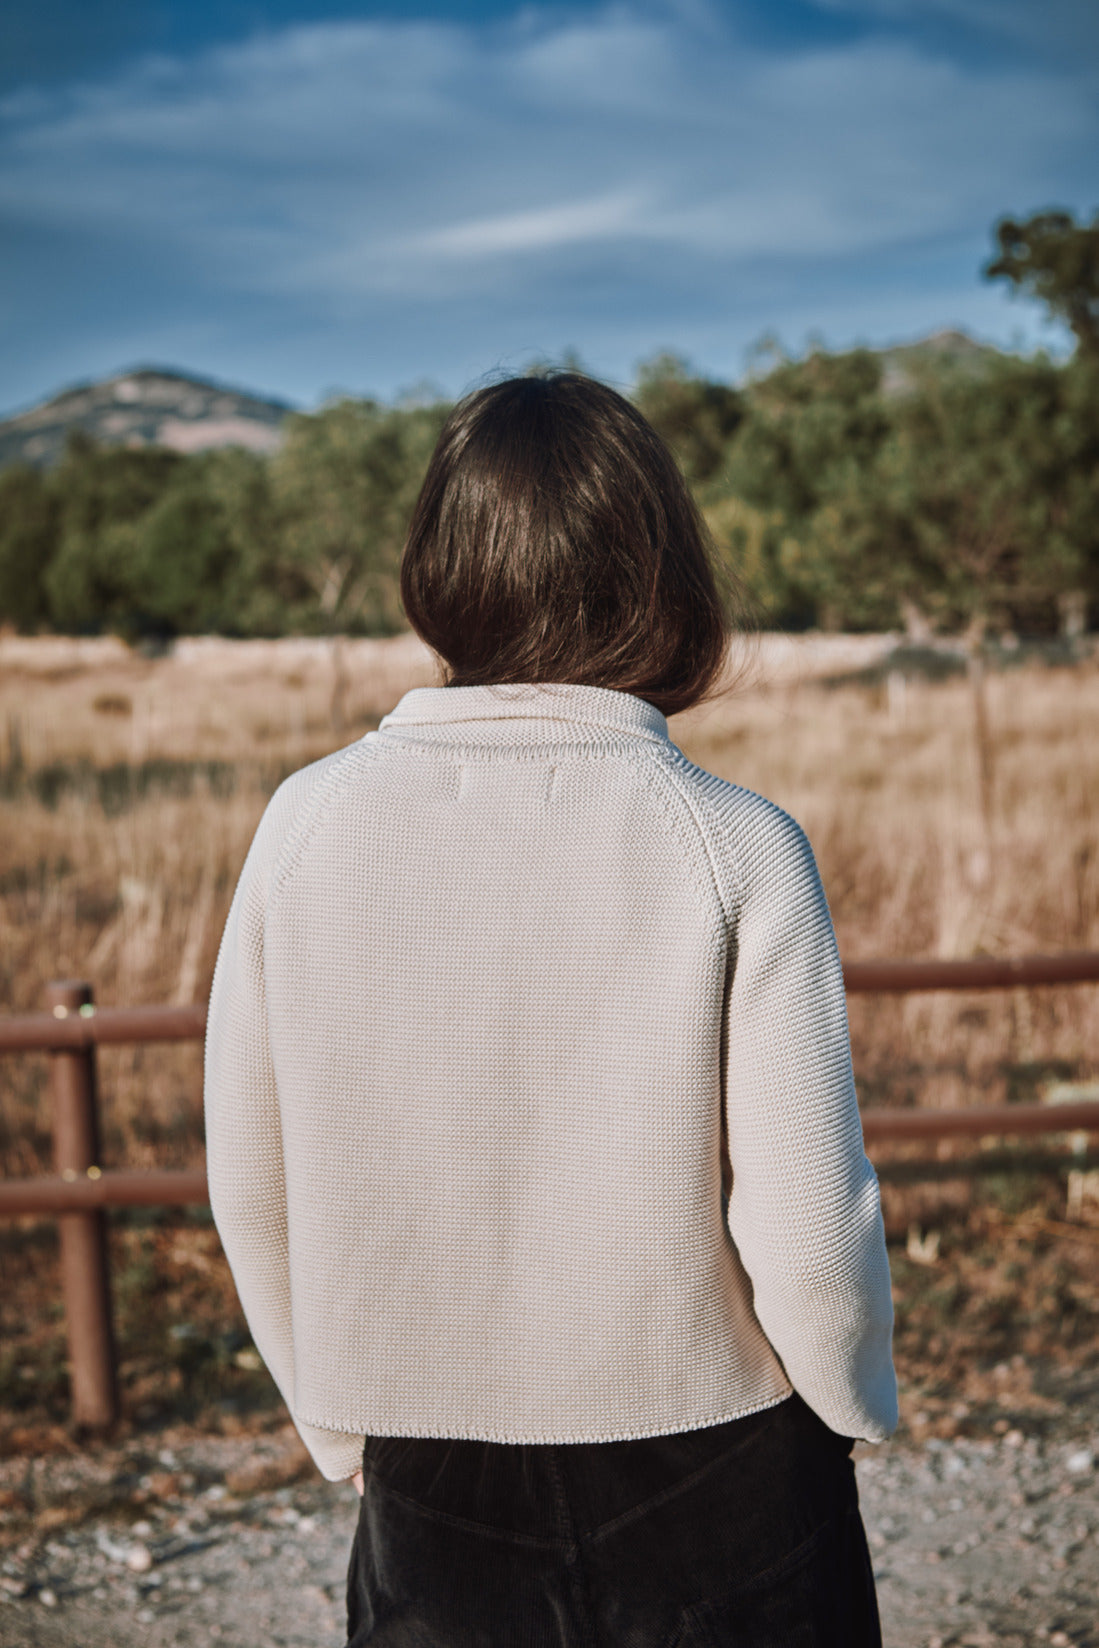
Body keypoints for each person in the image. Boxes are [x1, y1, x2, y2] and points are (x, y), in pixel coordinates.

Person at [204, 370, 897, 1647]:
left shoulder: (303, 824)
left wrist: (332, 1417)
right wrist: (848, 1406)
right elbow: (806, 1219)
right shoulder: (735, 842)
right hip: (723, 1460)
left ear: (440, 565)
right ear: (662, 571)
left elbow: (253, 1178)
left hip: (428, 1461)